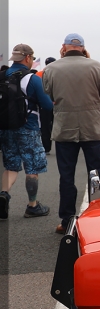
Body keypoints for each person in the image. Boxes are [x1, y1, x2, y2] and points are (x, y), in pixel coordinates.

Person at [42, 33, 100, 233]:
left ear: (63, 47)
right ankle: (98, 218)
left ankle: (66, 221)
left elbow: (50, 94)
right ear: (82, 47)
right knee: (97, 174)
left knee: (66, 176)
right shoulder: (96, 66)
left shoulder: (51, 69)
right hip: (93, 125)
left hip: (65, 126)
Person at [1, 44, 53, 218]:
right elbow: (47, 105)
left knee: (11, 166)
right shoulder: (32, 79)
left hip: (6, 127)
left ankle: (3, 195)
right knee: (32, 166)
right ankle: (32, 205)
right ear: (28, 58)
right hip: (28, 127)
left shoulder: (2, 76)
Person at [38, 56, 56, 153]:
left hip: (44, 104)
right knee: (58, 125)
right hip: (57, 103)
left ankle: (46, 147)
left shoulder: (39, 74)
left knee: (45, 126)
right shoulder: (58, 73)